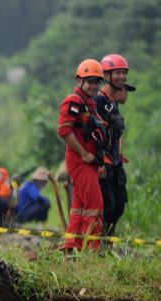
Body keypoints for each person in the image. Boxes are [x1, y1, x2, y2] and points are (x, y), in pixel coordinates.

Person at [58, 59, 107, 251]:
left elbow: (94, 135)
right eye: (90, 81)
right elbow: (64, 130)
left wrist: (99, 162)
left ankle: (72, 247)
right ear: (79, 80)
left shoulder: (89, 103)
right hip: (79, 160)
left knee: (78, 207)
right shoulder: (73, 101)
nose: (94, 86)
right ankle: (91, 252)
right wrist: (83, 153)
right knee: (95, 204)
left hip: (90, 161)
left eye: (97, 82)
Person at [94, 54, 131, 238]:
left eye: (124, 73)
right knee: (107, 204)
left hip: (116, 161)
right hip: (104, 161)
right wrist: (100, 162)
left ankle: (108, 246)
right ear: (106, 75)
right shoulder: (98, 100)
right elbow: (95, 133)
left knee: (119, 203)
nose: (123, 77)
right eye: (118, 72)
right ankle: (99, 248)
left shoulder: (114, 101)